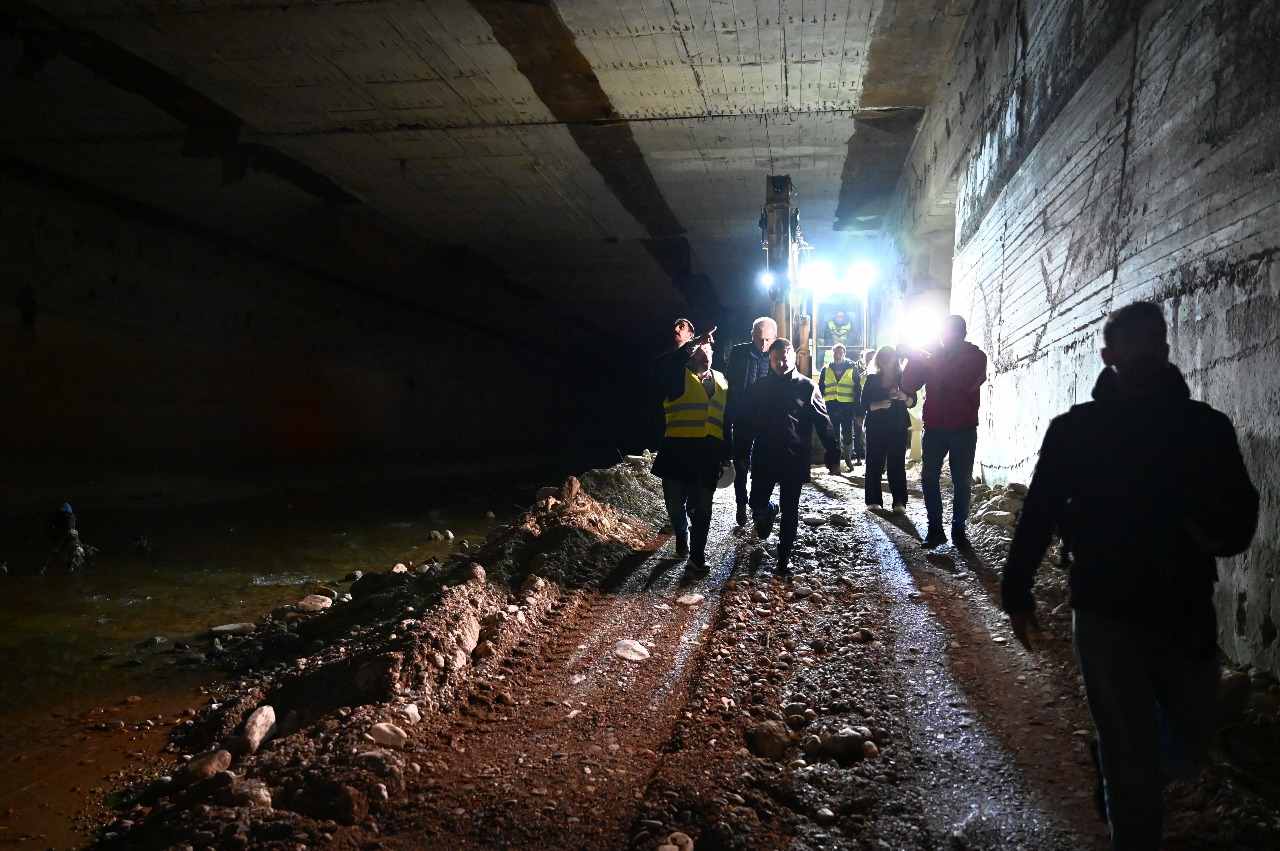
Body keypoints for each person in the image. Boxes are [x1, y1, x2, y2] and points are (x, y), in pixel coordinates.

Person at [1000, 302, 1258, 851]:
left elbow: (1242, 509)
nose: (1148, 349)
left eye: (1155, 339)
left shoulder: (1204, 427)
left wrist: (1210, 531)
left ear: (1166, 348)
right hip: (1105, 607)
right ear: (1108, 355)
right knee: (1129, 759)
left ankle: (1123, 764)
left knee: (1189, 742)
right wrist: (1016, 590)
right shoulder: (1077, 431)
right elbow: (1040, 510)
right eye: (1134, 342)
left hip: (1184, 604)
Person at [733, 338, 840, 575]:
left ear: (793, 357)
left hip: (794, 456)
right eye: (776, 358)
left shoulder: (807, 387)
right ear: (770, 359)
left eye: (785, 358)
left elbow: (823, 422)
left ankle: (784, 555)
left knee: (790, 508)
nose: (781, 363)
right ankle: (767, 510)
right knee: (756, 501)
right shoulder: (759, 388)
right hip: (764, 455)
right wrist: (740, 450)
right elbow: (744, 422)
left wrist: (833, 453)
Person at [901, 315, 988, 549]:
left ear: (961, 334)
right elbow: (909, 384)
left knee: (961, 482)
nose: (943, 337)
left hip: (963, 428)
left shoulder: (976, 357)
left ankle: (958, 529)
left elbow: (966, 382)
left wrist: (932, 361)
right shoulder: (933, 356)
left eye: (947, 332)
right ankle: (935, 529)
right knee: (929, 478)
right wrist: (913, 358)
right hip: (935, 427)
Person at [651, 335, 729, 572]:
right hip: (677, 451)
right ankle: (682, 532)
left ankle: (697, 558)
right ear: (691, 353)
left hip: (707, 454)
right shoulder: (676, 376)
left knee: (704, 507)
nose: (706, 352)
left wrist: (728, 453)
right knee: (675, 504)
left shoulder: (723, 381)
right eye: (700, 348)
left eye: (708, 349)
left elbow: (726, 420)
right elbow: (671, 362)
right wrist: (694, 340)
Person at [725, 316, 778, 526]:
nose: (763, 344)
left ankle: (758, 507)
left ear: (774, 338)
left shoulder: (777, 355)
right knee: (740, 464)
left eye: (768, 340)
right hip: (742, 418)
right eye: (760, 339)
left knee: (762, 466)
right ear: (752, 336)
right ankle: (741, 503)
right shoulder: (739, 353)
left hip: (766, 422)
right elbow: (730, 384)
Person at [859, 346, 916, 512]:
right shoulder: (872, 379)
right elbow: (863, 404)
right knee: (874, 462)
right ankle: (873, 500)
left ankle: (899, 502)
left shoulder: (903, 378)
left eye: (889, 355)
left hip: (897, 425)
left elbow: (913, 401)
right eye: (882, 355)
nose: (886, 358)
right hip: (876, 425)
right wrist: (877, 405)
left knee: (896, 463)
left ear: (895, 358)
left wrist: (904, 397)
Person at [819, 343, 861, 471]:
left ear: (844, 354)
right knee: (833, 434)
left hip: (847, 405)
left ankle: (848, 460)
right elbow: (820, 389)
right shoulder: (825, 369)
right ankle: (835, 464)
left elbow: (858, 389)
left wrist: (857, 408)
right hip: (831, 405)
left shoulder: (853, 368)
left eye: (840, 353)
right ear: (832, 354)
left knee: (848, 433)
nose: (838, 356)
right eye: (835, 353)